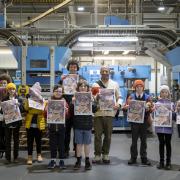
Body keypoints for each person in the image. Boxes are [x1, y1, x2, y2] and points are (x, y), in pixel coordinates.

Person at [92, 66, 121, 164]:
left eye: (106, 71)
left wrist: (118, 104)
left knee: (108, 136)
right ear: (100, 72)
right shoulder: (95, 84)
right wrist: (97, 96)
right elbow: (92, 98)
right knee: (97, 136)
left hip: (110, 113)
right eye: (103, 71)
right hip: (98, 114)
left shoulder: (115, 84)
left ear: (109, 73)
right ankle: (97, 155)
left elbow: (119, 97)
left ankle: (105, 154)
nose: (105, 73)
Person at [59, 59, 85, 158]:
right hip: (66, 108)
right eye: (71, 66)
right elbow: (57, 89)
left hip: (77, 108)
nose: (73, 68)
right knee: (66, 130)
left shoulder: (81, 78)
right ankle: (65, 150)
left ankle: (76, 149)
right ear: (68, 68)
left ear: (77, 68)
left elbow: (86, 90)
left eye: (74, 67)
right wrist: (61, 81)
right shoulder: (63, 78)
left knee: (77, 130)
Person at [127, 80, 153, 166]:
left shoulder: (148, 97)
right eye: (137, 87)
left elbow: (151, 107)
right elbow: (126, 106)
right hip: (134, 122)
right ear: (135, 88)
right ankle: (133, 157)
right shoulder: (131, 97)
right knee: (134, 140)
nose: (139, 88)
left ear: (143, 88)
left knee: (143, 140)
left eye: (140, 86)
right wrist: (127, 106)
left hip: (144, 122)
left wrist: (149, 107)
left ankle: (144, 158)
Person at [72, 81, 97, 170]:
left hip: (87, 123)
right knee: (78, 143)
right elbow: (71, 112)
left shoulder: (91, 97)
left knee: (87, 143)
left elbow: (95, 109)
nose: (83, 87)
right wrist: (73, 102)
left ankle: (87, 161)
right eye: (81, 86)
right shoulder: (74, 97)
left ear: (87, 88)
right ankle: (78, 160)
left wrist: (93, 102)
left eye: (85, 86)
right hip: (78, 123)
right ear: (78, 88)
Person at [46, 85, 69, 169]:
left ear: (62, 93)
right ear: (53, 92)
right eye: (56, 91)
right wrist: (46, 110)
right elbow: (45, 115)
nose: (58, 93)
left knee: (61, 144)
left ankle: (61, 161)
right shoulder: (49, 101)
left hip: (61, 127)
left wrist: (66, 111)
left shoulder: (64, 101)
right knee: (52, 144)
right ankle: (53, 160)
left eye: (60, 91)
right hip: (52, 127)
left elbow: (67, 115)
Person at [0, 83, 24, 163]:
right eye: (10, 89)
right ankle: (8, 158)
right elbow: (1, 111)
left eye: (13, 89)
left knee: (16, 140)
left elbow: (23, 110)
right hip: (7, 122)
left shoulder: (19, 99)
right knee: (8, 140)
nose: (12, 90)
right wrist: (2, 107)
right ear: (7, 90)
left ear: (15, 90)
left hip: (16, 122)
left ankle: (16, 157)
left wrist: (19, 105)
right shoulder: (4, 99)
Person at [24, 82, 46, 165]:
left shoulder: (42, 100)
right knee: (29, 141)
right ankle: (29, 157)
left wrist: (41, 102)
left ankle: (39, 155)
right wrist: (27, 100)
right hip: (29, 123)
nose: (34, 94)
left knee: (38, 141)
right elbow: (26, 108)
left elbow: (42, 110)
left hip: (39, 123)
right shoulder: (29, 100)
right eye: (32, 92)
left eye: (35, 92)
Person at [155, 85, 175, 170]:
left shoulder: (171, 104)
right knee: (161, 144)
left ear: (168, 93)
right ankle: (161, 162)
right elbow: (154, 115)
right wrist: (153, 111)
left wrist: (173, 112)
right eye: (162, 92)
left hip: (168, 128)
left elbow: (174, 116)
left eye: (166, 92)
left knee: (168, 144)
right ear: (160, 93)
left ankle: (168, 162)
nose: (164, 94)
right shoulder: (156, 104)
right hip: (159, 127)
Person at [0, 74, 12, 158]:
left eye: (5, 83)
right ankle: (1, 150)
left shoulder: (10, 92)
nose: (3, 85)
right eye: (1, 83)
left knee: (6, 135)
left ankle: (6, 150)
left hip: (8, 117)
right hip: (0, 116)